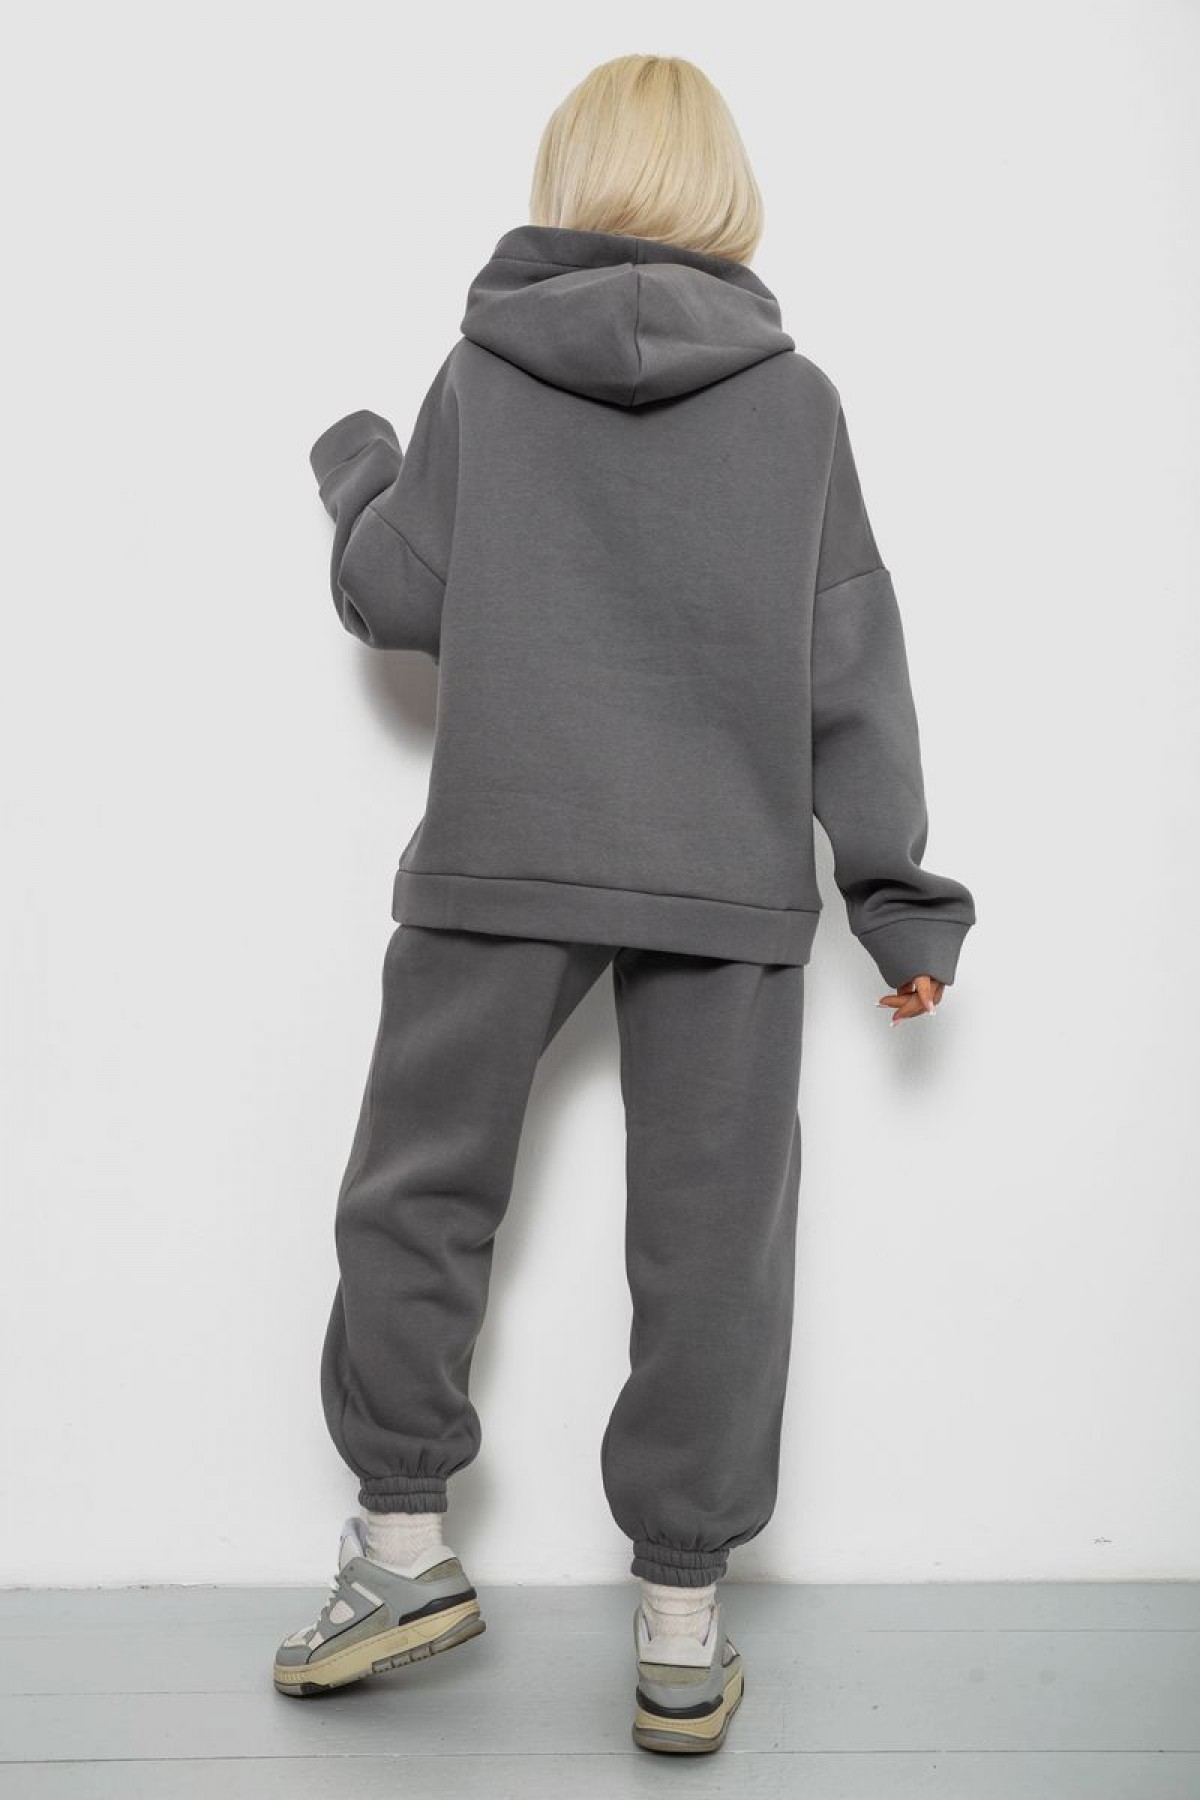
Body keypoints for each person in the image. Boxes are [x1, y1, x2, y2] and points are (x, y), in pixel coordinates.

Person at [273, 52, 977, 1755]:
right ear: (726, 190)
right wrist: (899, 901)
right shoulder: (797, 406)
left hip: (505, 845)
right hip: (729, 879)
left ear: (566, 177)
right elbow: (851, 658)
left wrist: (360, 464)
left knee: (420, 1190)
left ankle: (402, 1552)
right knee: (714, 1247)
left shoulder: (483, 377)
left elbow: (396, 595)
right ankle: (679, 1623)